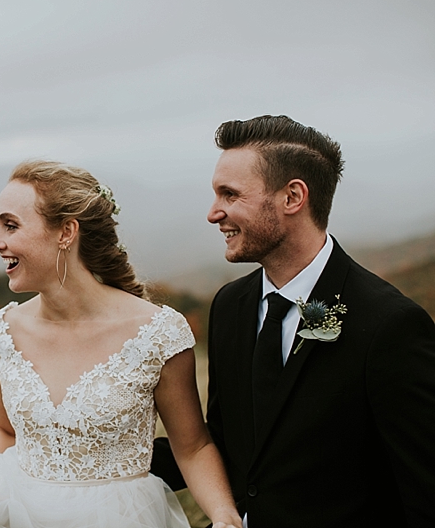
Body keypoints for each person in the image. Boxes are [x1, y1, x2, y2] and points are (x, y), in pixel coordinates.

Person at [153, 115, 435, 527]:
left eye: (230, 195)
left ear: (293, 197)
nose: (214, 213)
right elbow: (226, 443)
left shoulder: (390, 325)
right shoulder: (230, 306)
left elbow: (423, 489)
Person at [0, 160, 242, 528]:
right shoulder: (1, 333)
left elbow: (192, 447)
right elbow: (4, 430)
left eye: (11, 225)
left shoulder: (159, 333)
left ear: (66, 232)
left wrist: (225, 517)